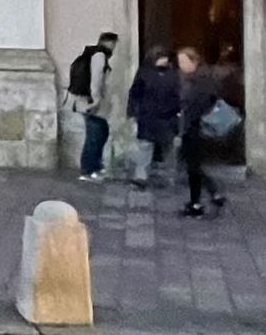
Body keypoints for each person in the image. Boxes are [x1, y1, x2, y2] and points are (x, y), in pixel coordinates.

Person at [177, 45, 228, 217]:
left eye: (183, 61)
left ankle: (198, 202)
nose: (181, 65)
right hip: (193, 128)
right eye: (179, 62)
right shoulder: (196, 78)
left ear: (194, 61)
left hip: (195, 129)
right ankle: (209, 195)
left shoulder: (199, 81)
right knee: (194, 166)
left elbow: (197, 106)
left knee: (193, 167)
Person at [66, 30, 118, 181]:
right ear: (109, 43)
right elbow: (96, 79)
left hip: (87, 101)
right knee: (94, 136)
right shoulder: (99, 56)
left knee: (100, 132)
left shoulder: (95, 54)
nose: (114, 48)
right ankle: (88, 170)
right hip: (90, 102)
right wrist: (96, 100)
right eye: (114, 44)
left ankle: (95, 167)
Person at [127, 46, 179, 189]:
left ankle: (170, 176)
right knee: (145, 147)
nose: (164, 60)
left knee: (169, 149)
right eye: (161, 57)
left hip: (168, 117)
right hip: (148, 116)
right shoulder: (144, 73)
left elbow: (179, 94)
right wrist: (132, 112)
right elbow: (135, 94)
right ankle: (140, 177)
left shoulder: (173, 74)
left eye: (165, 57)